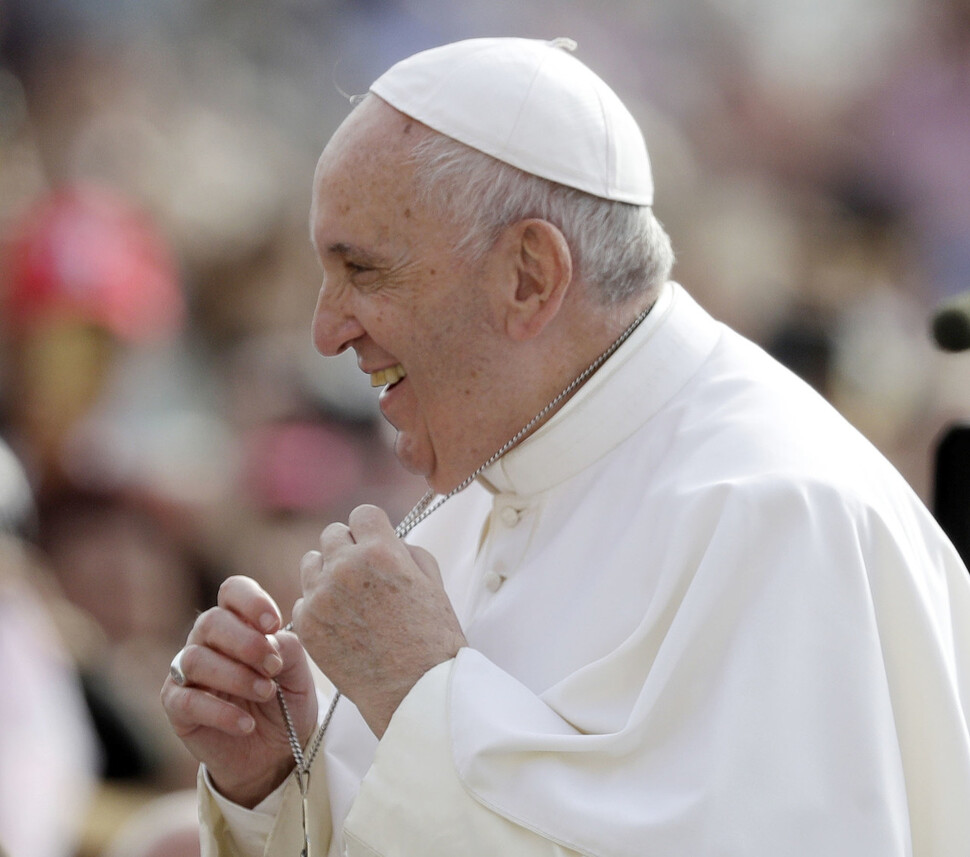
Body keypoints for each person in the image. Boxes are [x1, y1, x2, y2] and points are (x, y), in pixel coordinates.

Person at [161, 37, 970, 857]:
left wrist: (420, 694)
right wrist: (279, 777)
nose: (326, 331)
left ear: (529, 276)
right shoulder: (493, 471)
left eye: (363, 271)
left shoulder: (784, 513)